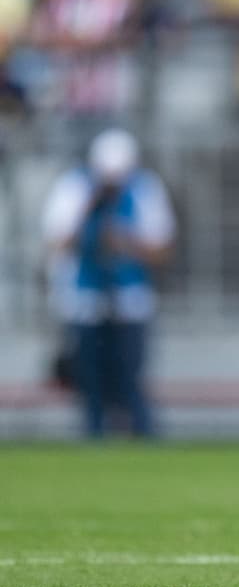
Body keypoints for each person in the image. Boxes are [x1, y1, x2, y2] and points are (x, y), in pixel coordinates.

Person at [42, 127, 176, 439]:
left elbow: (163, 248)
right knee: (90, 381)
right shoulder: (74, 188)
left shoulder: (145, 188)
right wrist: (88, 214)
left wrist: (126, 243)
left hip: (130, 300)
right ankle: (94, 437)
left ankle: (140, 437)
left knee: (129, 378)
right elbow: (57, 242)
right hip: (84, 301)